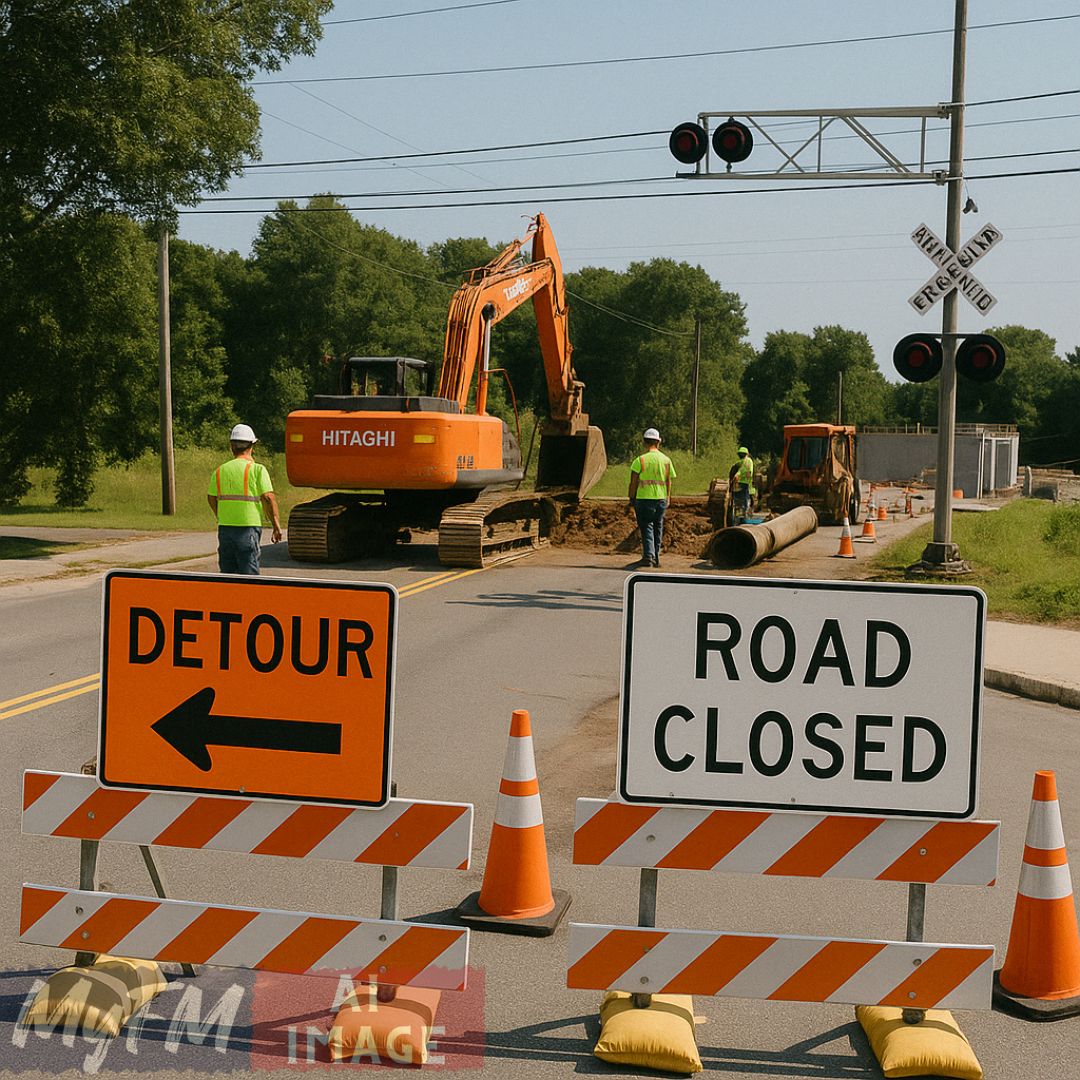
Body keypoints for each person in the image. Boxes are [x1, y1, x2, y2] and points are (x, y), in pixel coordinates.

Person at [207, 423, 282, 575]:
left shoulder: (220, 471)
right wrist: (276, 526)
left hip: (225, 528)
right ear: (252, 445)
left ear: (231, 446)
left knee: (228, 574)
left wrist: (220, 515)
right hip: (248, 527)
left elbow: (211, 497)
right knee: (249, 574)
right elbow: (268, 498)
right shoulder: (257, 469)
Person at [628, 427, 676, 568]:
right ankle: (656, 558)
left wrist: (631, 498)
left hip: (644, 499)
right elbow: (668, 481)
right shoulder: (666, 460)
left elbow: (634, 482)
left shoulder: (640, 460)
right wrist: (668, 497)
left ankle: (648, 556)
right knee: (658, 526)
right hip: (661, 499)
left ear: (644, 442)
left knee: (647, 526)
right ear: (658, 442)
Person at [732, 445, 756, 518]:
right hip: (745, 483)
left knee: (738, 499)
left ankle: (740, 513)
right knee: (745, 498)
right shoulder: (748, 461)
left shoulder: (739, 462)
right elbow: (749, 472)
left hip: (738, 483)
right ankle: (745, 513)